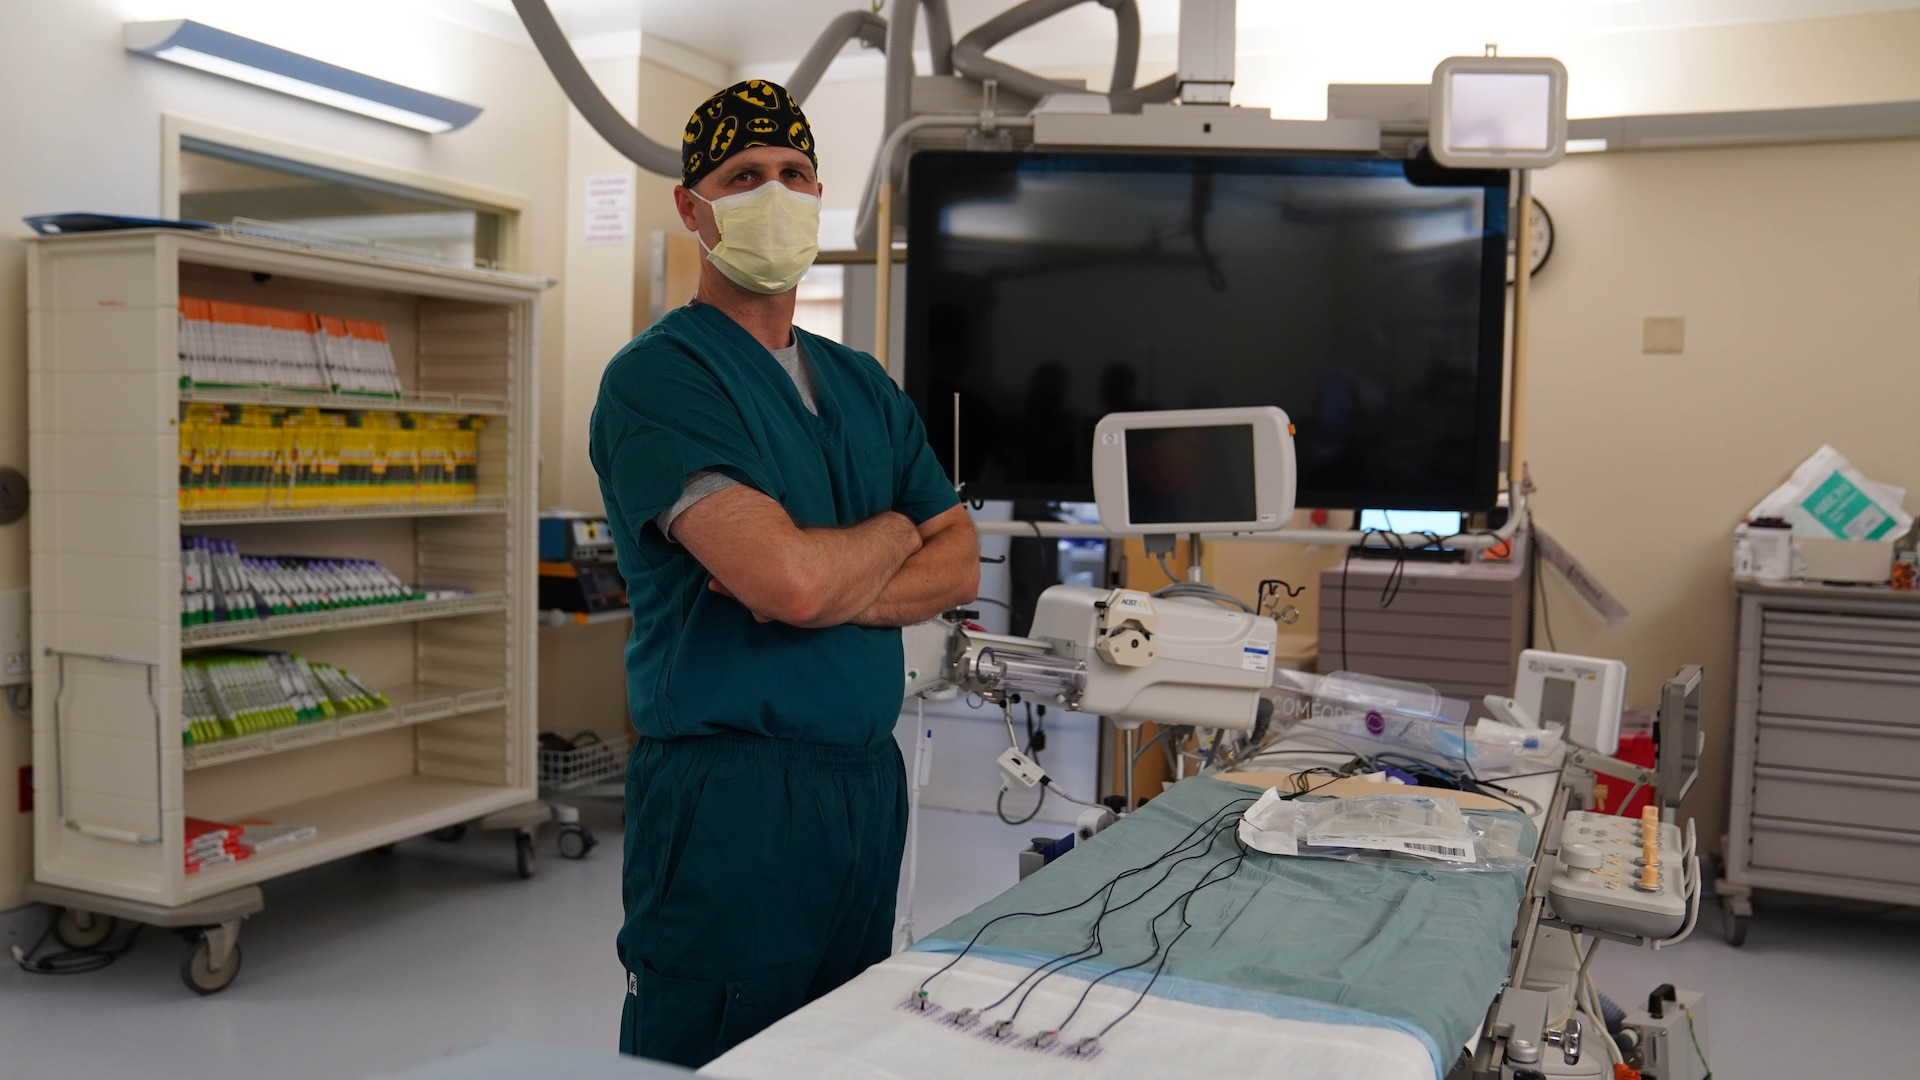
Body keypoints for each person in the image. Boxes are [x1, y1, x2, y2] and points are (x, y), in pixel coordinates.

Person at [588, 79, 979, 1069]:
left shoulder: (864, 386)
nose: (776, 190)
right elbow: (793, 584)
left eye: (794, 173)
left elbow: (959, 561)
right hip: (730, 797)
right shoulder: (662, 379)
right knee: (716, 1049)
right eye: (744, 175)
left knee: (836, 1046)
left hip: (861, 783)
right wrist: (897, 528)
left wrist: (835, 568)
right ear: (693, 206)